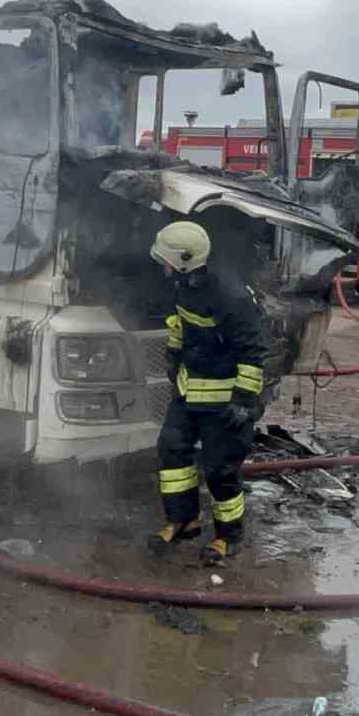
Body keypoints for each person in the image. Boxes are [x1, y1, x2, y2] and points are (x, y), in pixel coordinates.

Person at [142, 220, 267, 565]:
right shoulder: (185, 285)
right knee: (172, 452)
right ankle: (184, 520)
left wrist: (244, 401)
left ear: (184, 261)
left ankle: (229, 537)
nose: (162, 267)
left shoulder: (231, 297)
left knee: (220, 470)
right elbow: (182, 322)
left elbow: (254, 351)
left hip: (223, 401)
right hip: (188, 392)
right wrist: (173, 353)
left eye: (166, 261)